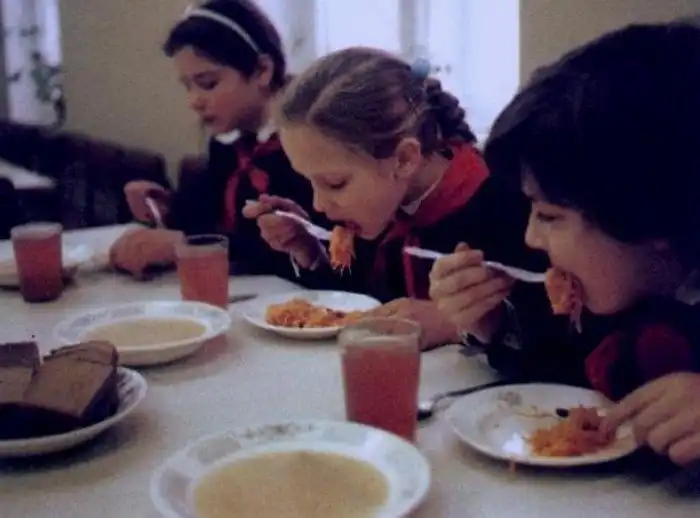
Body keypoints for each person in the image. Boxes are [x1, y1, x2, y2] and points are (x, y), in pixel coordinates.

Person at [430, 23, 700, 404]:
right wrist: (494, 326)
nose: (530, 238)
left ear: (650, 215)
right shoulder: (622, 295)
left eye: (549, 216)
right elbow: (566, 375)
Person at [243, 47, 546, 349]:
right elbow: (365, 302)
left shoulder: (509, 209)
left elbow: (552, 339)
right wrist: (312, 254)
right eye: (309, 181)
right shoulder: (387, 203)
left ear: (404, 159)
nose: (318, 204)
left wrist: (455, 324)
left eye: (335, 183)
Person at [110, 0, 317, 279]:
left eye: (208, 84)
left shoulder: (307, 144)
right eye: (188, 87)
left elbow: (291, 249)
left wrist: (187, 245)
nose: (193, 101)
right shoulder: (229, 141)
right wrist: (166, 208)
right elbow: (206, 213)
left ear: (262, 71)